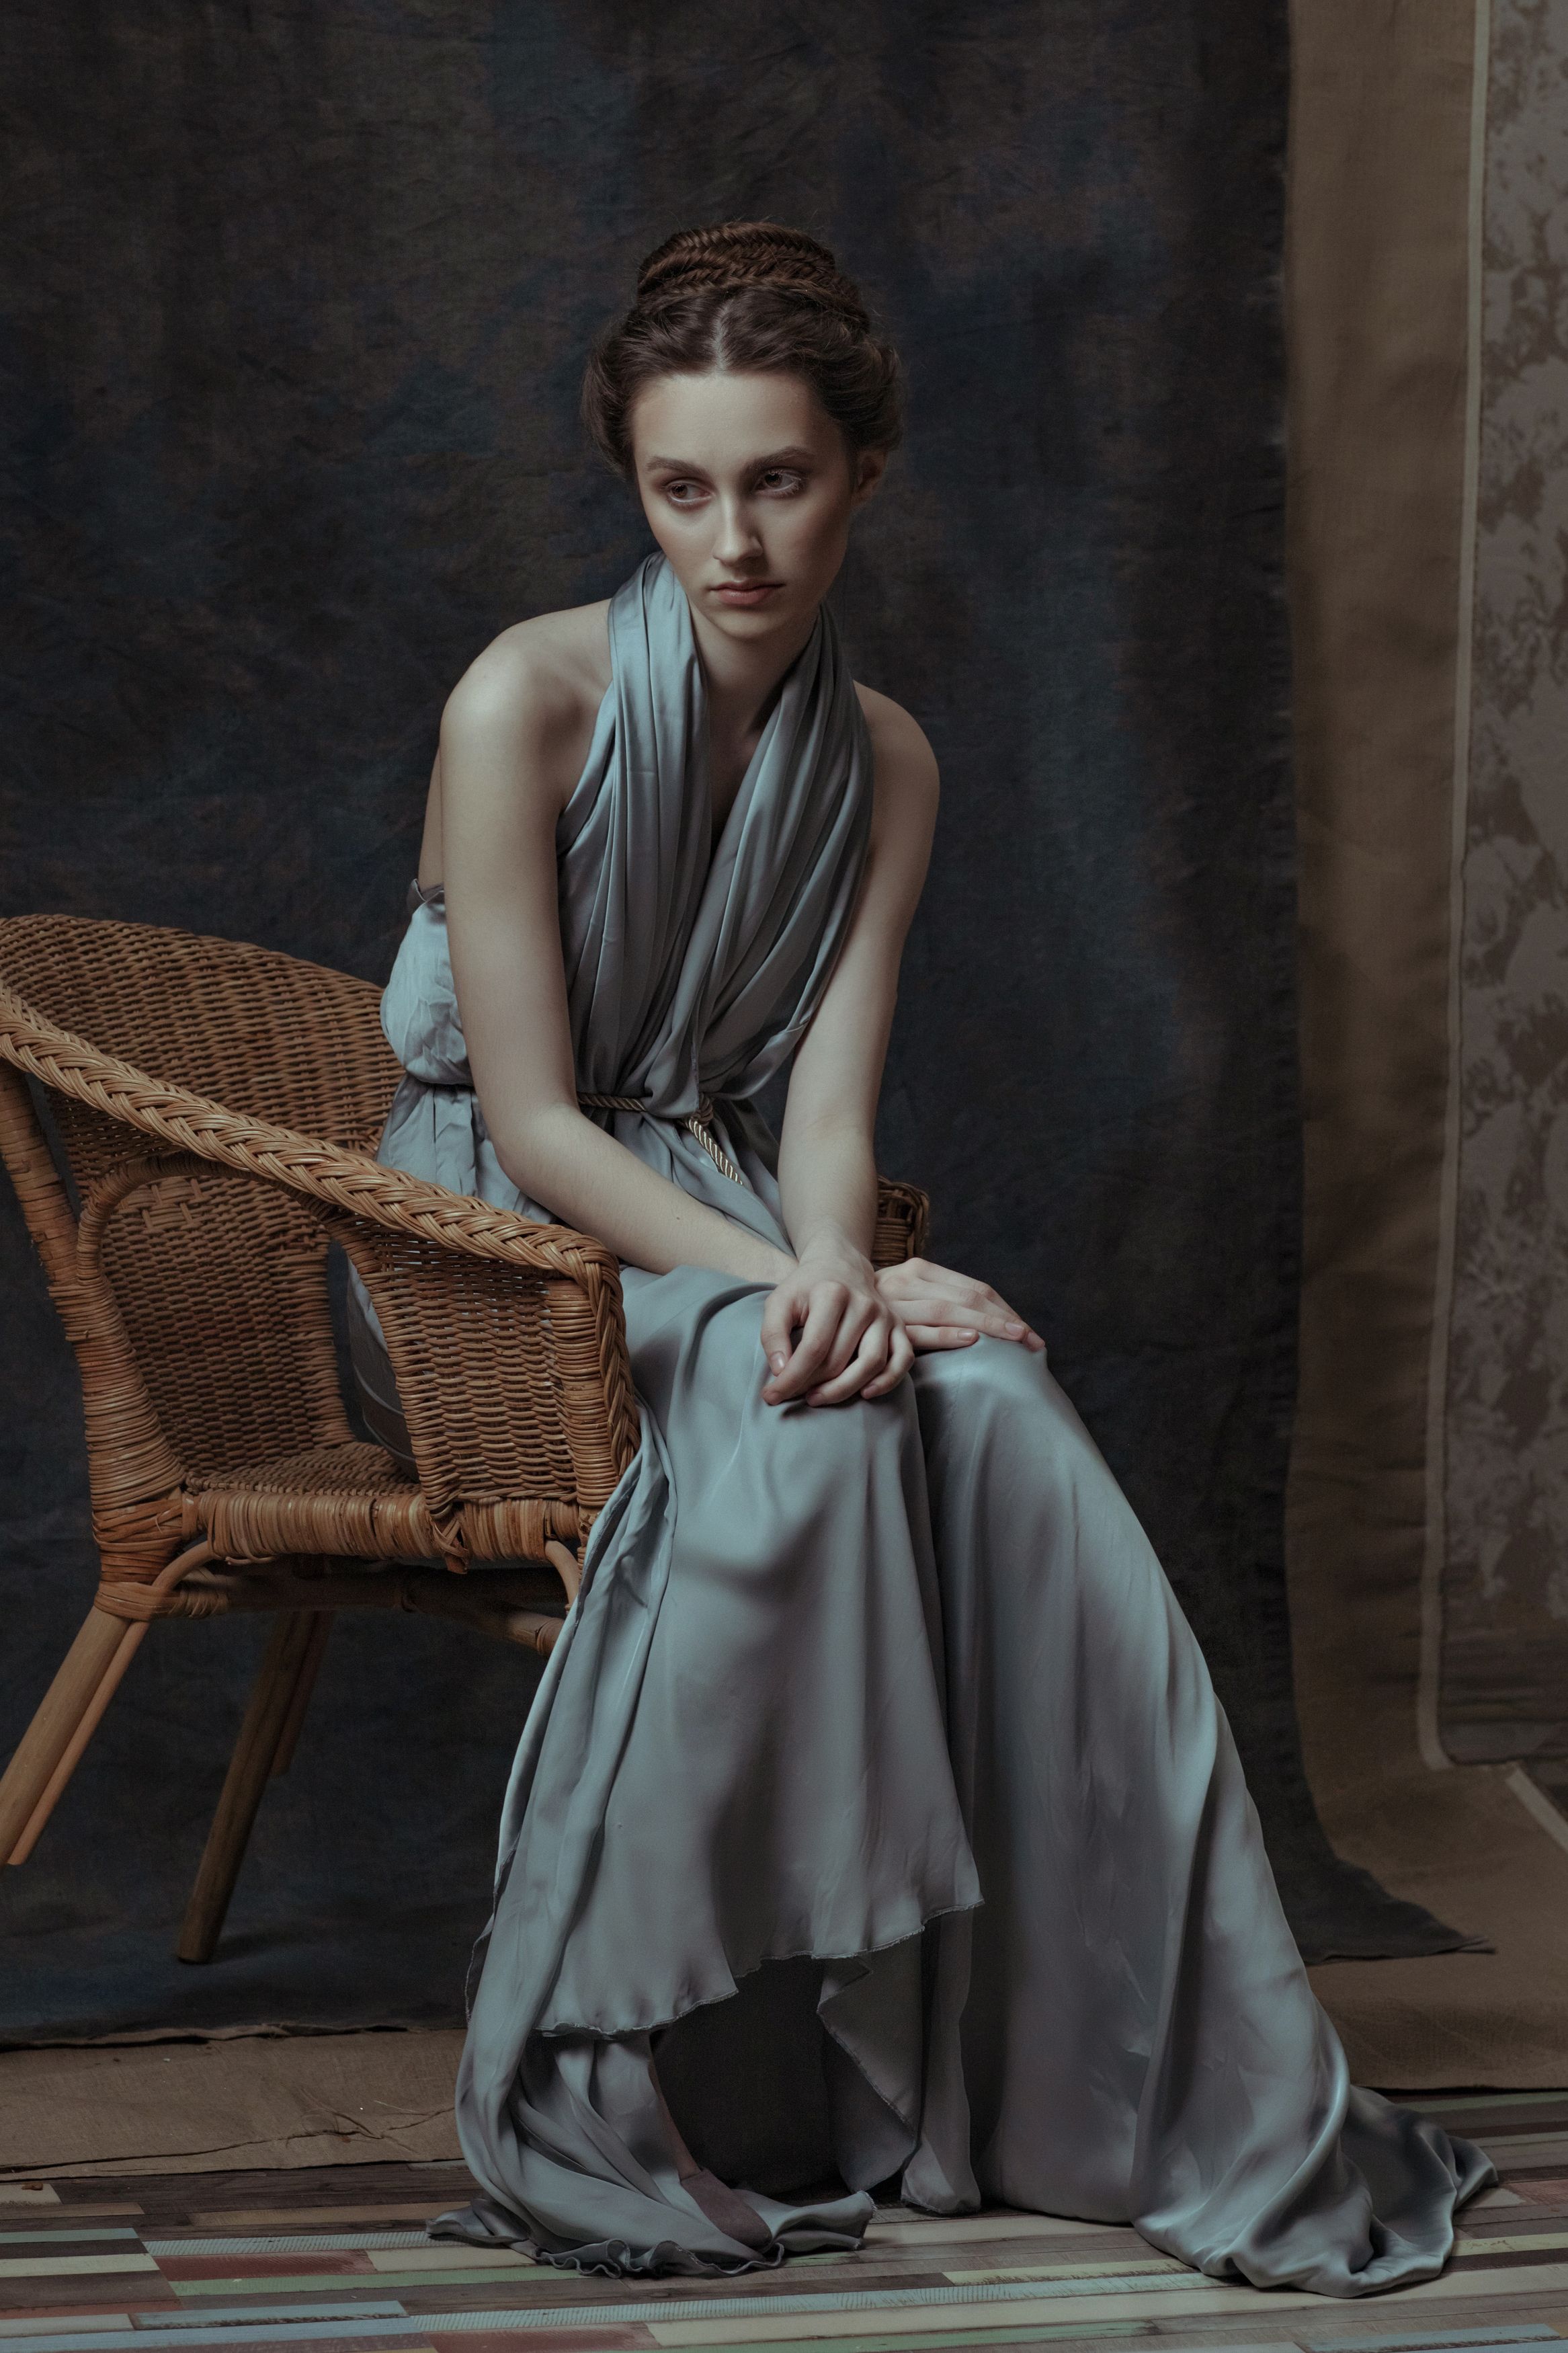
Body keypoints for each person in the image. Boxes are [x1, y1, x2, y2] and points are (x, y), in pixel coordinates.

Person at [345, 220, 1490, 2290]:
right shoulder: (522, 697)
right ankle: (692, 2066)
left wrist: (846, 1258)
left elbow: (826, 1121)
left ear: (863, 472)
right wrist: (809, 1286)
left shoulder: (889, 763)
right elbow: (530, 1118)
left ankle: (1107, 2080)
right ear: (635, 485)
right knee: (820, 1420)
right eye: (681, 488)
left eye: (779, 480)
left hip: (718, 1197)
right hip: (488, 1235)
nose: (733, 540)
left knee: (1002, 1412)